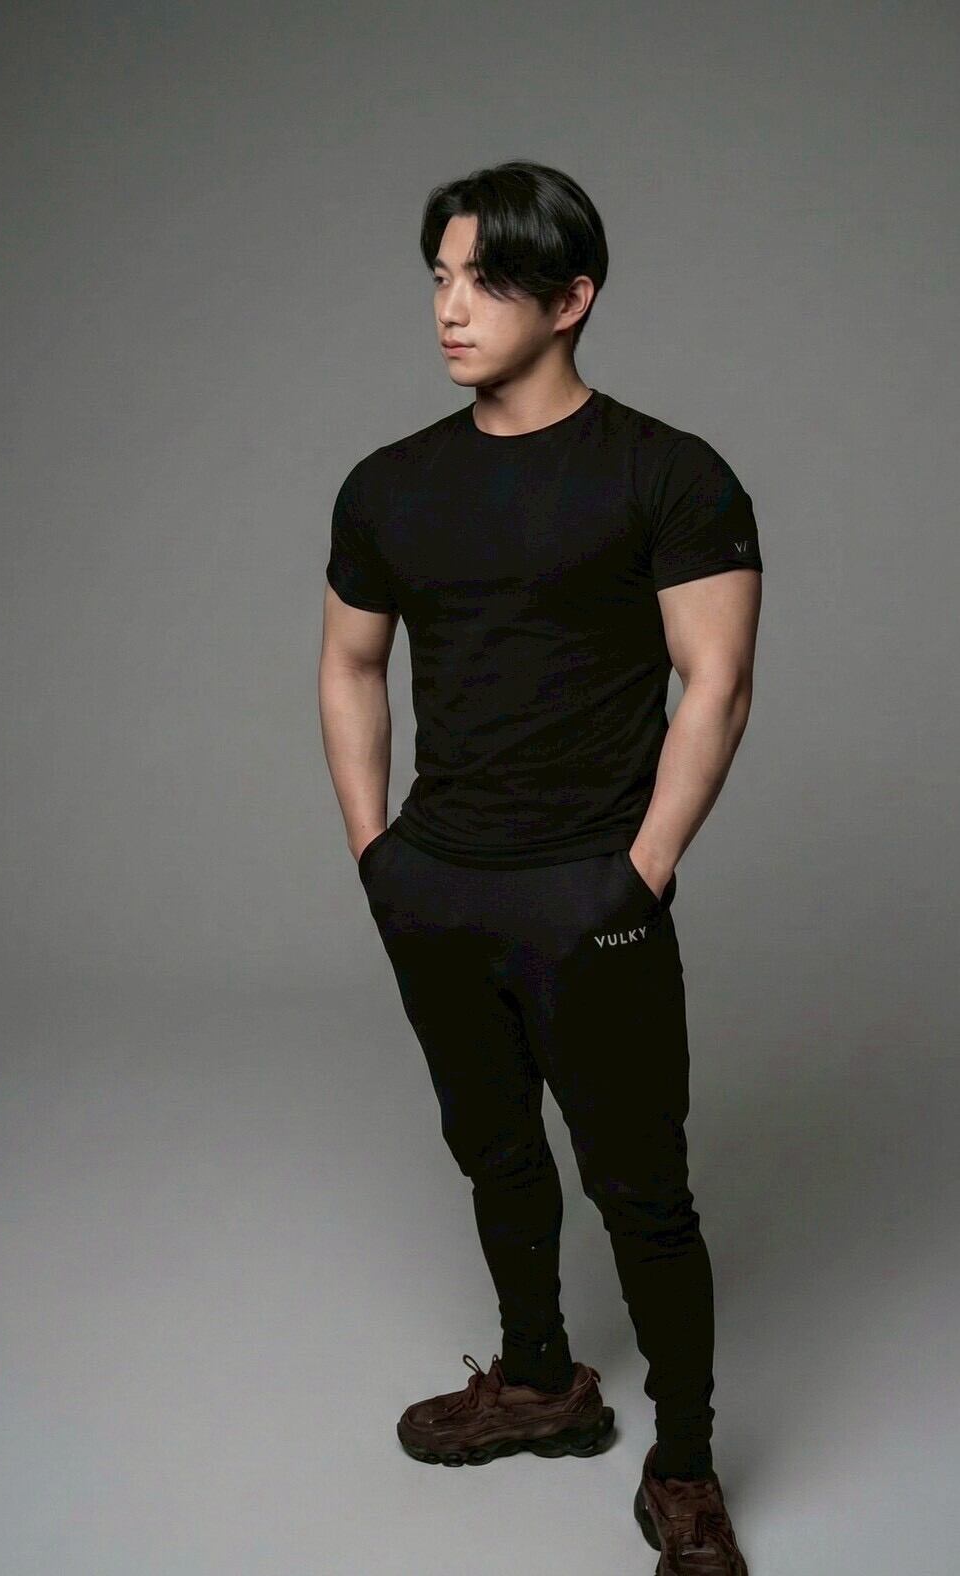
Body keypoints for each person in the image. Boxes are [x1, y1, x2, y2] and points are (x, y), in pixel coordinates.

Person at [318, 159, 760, 1576]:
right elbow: (350, 663)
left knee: (642, 1191)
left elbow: (714, 681)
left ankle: (683, 1468)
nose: (450, 308)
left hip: (589, 895)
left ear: (571, 299)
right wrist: (374, 850)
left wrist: (639, 874)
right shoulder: (389, 484)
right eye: (440, 277)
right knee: (494, 1152)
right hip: (436, 884)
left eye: (487, 280)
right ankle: (538, 1384)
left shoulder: (668, 473)